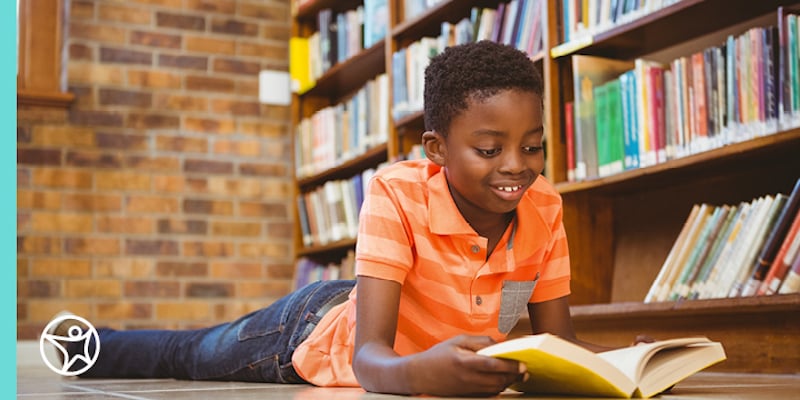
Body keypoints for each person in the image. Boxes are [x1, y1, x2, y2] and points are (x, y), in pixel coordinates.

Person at [59, 40, 620, 397]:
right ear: (437, 148)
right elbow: (370, 360)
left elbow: (558, 343)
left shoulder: (545, 206)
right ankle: (92, 346)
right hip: (315, 332)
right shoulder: (396, 191)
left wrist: (629, 364)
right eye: (491, 149)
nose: (517, 168)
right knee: (195, 355)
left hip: (386, 319)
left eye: (533, 146)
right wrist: (423, 372)